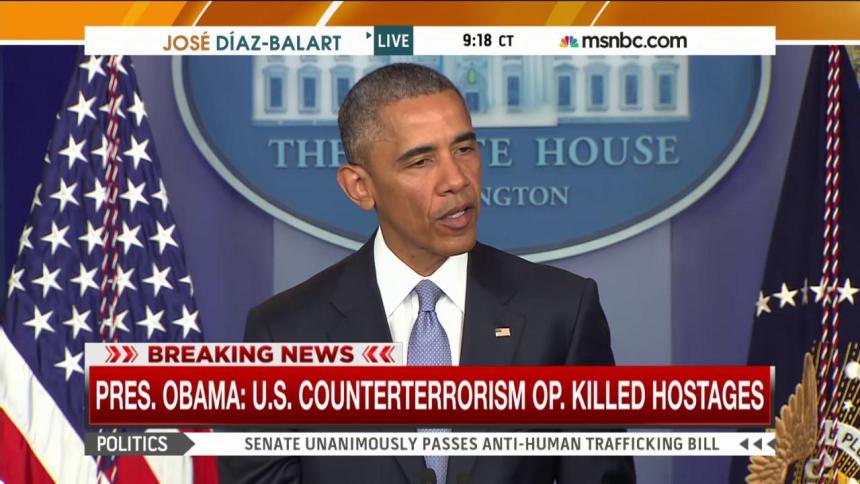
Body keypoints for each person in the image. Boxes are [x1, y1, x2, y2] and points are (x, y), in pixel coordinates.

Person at [218, 63, 636, 484]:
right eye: (420, 161)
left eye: (464, 150)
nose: (456, 180)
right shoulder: (283, 334)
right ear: (360, 187)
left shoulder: (561, 312)